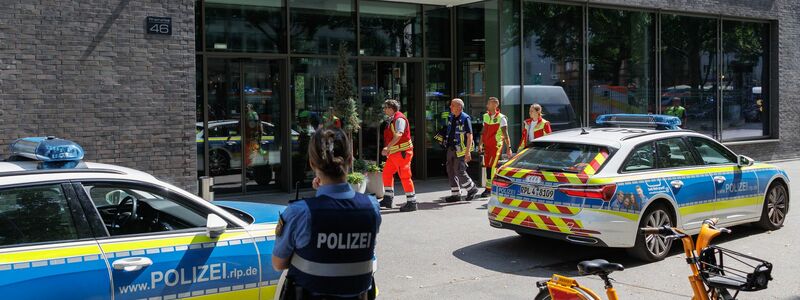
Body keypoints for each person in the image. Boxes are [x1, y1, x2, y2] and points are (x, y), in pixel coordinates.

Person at [272, 127, 381, 300]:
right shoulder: (372, 207)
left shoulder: (299, 212)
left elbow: (279, 263)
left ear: (312, 164)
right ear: (350, 159)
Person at [379, 99, 417, 212]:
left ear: (391, 109)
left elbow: (399, 134)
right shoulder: (393, 119)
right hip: (396, 153)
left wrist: (388, 147)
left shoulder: (399, 119)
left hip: (402, 153)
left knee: (405, 176)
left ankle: (412, 202)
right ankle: (388, 198)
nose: (384, 110)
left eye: (386, 108)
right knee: (387, 173)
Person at [444, 98, 479, 202]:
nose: (450, 107)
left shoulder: (465, 118)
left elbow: (470, 136)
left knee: (459, 171)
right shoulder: (451, 117)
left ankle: (472, 189)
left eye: (452, 105)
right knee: (450, 170)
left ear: (459, 107)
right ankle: (456, 194)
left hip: (461, 150)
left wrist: (468, 152)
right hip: (451, 148)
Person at [478, 97, 512, 198]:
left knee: (492, 166)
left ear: (495, 105)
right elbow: (483, 132)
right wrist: (480, 144)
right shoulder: (485, 116)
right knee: (488, 166)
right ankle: (495, 186)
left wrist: (508, 147)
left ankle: (489, 189)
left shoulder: (502, 118)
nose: (487, 105)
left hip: (496, 146)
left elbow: (506, 134)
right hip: (487, 146)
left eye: (488, 104)